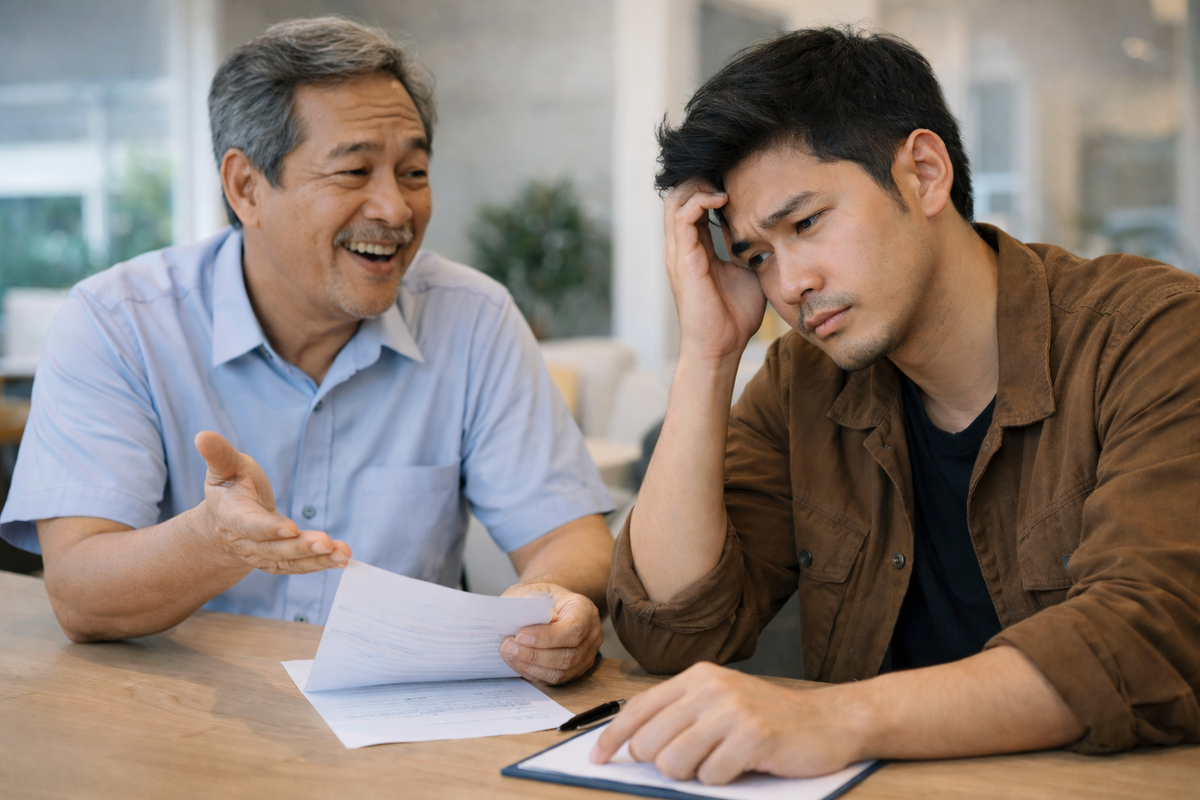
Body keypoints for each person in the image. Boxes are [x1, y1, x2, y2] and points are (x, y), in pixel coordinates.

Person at [596, 27, 1200, 783]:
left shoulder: (1153, 334)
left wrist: (837, 717)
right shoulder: (803, 381)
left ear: (923, 172)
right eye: (756, 256)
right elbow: (673, 631)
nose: (788, 286)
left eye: (806, 223)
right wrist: (708, 354)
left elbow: (1147, 632)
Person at [0, 17, 614, 687]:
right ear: (246, 188)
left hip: (398, 719)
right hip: (176, 716)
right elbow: (78, 594)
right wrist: (213, 541)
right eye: (354, 171)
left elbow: (570, 537)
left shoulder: (473, 317)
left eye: (413, 171)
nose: (395, 208)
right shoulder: (117, 322)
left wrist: (552, 597)